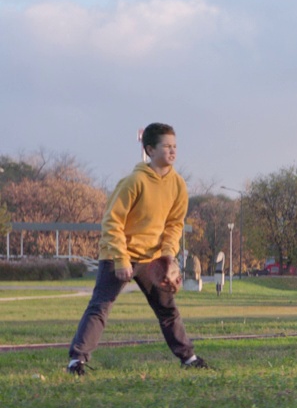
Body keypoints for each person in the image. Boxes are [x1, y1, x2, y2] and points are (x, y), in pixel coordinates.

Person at [66, 123, 210, 375]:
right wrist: (121, 260)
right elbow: (112, 222)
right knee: (100, 306)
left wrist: (167, 255)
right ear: (150, 149)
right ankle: (76, 361)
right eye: (166, 146)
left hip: (152, 258)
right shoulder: (134, 181)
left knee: (167, 309)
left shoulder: (178, 185)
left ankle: (189, 358)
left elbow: (175, 224)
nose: (173, 151)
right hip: (118, 253)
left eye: (175, 146)